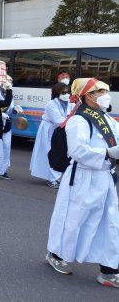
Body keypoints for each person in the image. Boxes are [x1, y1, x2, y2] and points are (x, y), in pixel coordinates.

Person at [45, 78, 119, 287]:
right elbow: (78, 151)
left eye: (106, 90)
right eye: (100, 91)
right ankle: (56, 254)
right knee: (73, 219)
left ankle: (110, 270)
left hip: (104, 177)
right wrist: (107, 152)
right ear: (88, 95)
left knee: (110, 223)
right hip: (82, 178)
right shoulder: (79, 120)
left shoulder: (107, 119)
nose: (106, 94)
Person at [30, 83, 73, 188]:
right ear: (57, 93)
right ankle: (52, 179)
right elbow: (58, 121)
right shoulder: (51, 104)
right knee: (51, 152)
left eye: (68, 92)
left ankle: (56, 177)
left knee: (60, 152)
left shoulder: (70, 104)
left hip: (62, 130)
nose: (66, 94)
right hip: (50, 130)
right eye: (63, 92)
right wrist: (73, 121)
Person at [0, 76, 23, 180]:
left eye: (11, 82)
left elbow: (10, 109)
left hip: (6, 124)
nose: (9, 84)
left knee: (6, 148)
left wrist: (15, 110)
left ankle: (2, 171)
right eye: (7, 82)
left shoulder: (9, 94)